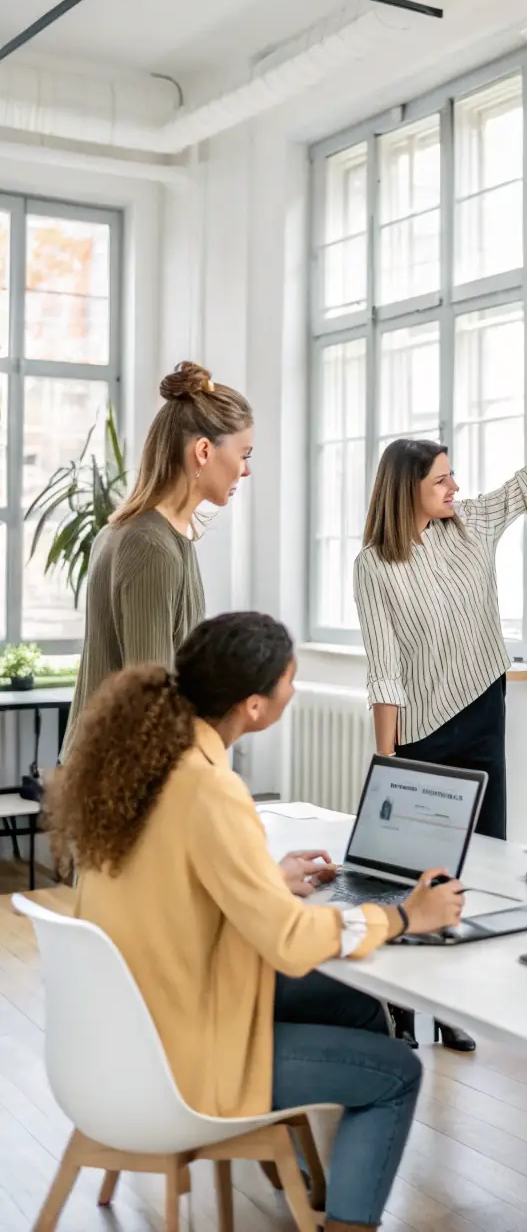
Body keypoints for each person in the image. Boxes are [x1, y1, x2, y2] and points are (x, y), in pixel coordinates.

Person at [48, 611, 464, 1232]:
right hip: (182, 1055)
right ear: (254, 705)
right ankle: (343, 1219)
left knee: (353, 1003)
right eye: (289, 680)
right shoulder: (212, 789)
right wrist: (403, 915)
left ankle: (302, 1173)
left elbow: (178, 886)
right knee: (397, 1071)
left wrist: (265, 880)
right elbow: (289, 943)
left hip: (129, 1027)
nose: (293, 690)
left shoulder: (150, 765)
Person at [354, 398, 527, 1052]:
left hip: (483, 714)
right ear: (409, 492)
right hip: (420, 734)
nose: (456, 487)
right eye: (442, 480)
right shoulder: (375, 566)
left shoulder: (473, 522)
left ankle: (452, 1004)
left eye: (453, 476)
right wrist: (388, 762)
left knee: (473, 867)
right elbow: (385, 670)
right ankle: (399, 1006)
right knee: (416, 879)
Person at [61, 361, 253, 757]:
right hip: (120, 781)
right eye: (244, 454)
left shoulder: (134, 533)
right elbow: (152, 704)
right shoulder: (150, 546)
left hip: (103, 773)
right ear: (203, 451)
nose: (246, 470)